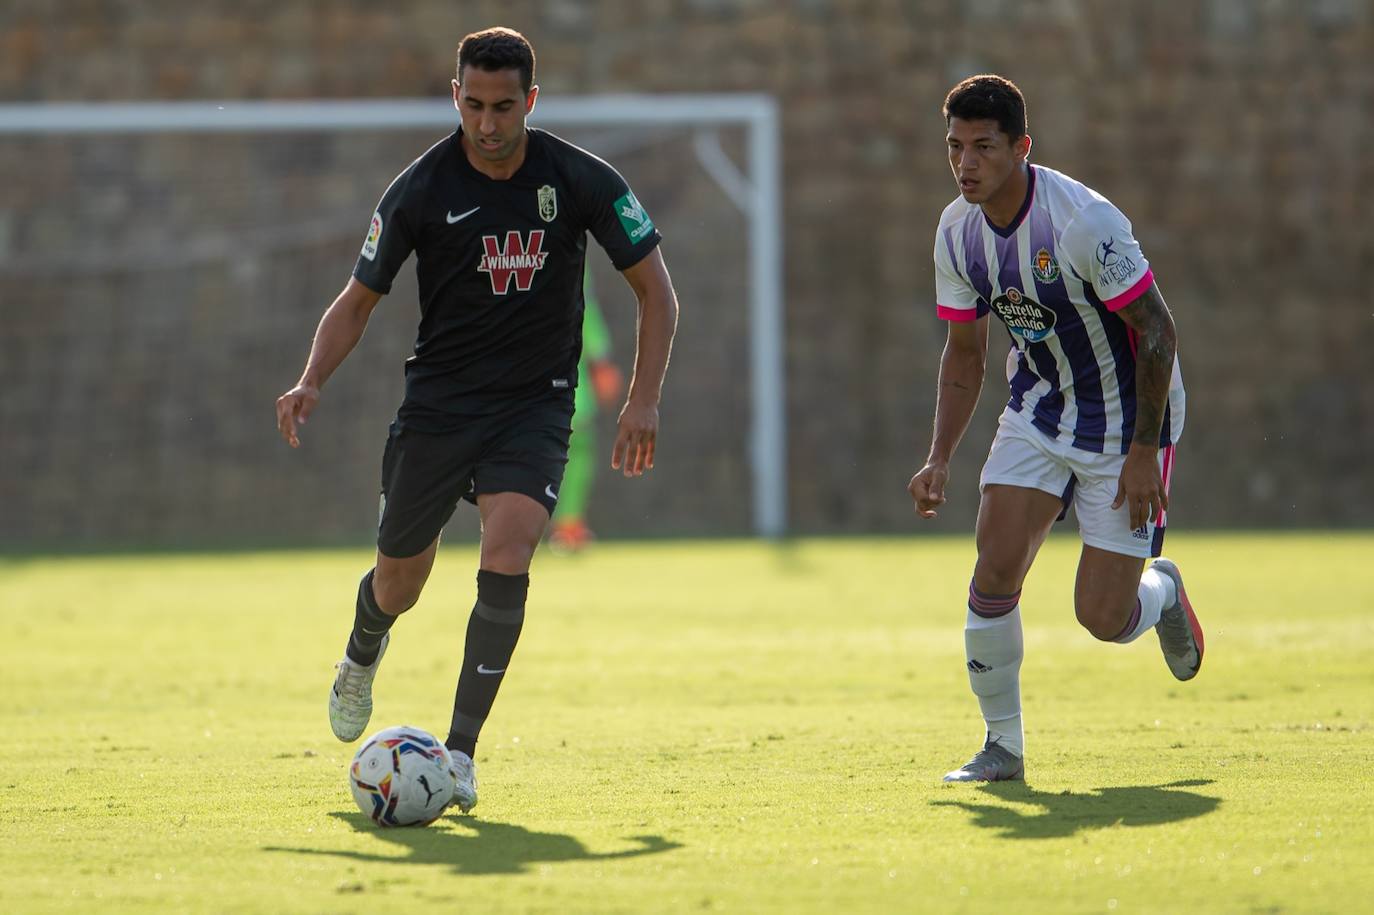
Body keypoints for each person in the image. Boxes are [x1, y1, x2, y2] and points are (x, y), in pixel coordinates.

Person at [274, 26, 679, 813]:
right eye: (474, 105)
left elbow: (656, 291)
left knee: (511, 548)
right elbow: (357, 300)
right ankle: (362, 650)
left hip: (534, 406)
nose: (488, 124)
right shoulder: (421, 188)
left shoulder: (581, 179)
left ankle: (459, 754)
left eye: (504, 107)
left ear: (531, 101)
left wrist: (644, 396)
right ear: (455, 97)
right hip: (439, 407)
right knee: (400, 581)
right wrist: (310, 378)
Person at [907, 75, 1203, 783]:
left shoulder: (1082, 223)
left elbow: (1158, 332)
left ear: (1022, 148)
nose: (966, 163)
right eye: (955, 147)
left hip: (1127, 424)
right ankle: (1001, 747)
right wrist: (939, 455)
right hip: (1039, 411)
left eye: (984, 147)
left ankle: (1162, 591)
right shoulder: (956, 231)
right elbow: (965, 354)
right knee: (993, 566)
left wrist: (1143, 452)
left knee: (1102, 617)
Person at [548, 272, 625, 553]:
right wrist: (600, 358)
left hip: (564, 374)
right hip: (555, 376)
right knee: (572, 447)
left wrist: (600, 360)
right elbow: (585, 307)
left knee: (576, 446)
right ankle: (564, 523)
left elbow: (585, 306)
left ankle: (568, 523)